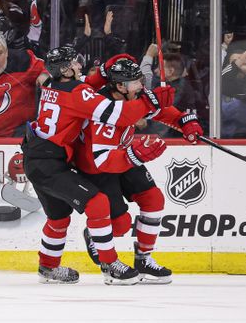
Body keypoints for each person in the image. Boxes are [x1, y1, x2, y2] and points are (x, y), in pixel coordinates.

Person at [22, 46, 175, 284]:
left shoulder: (52, 85)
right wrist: (150, 101)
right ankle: (109, 264)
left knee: (59, 218)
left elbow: (87, 84)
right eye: (74, 62)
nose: (79, 65)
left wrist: (104, 72)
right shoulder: (76, 93)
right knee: (97, 203)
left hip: (39, 159)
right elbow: (118, 113)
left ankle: (47, 268)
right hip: (49, 164)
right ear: (64, 69)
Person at [74, 54, 204, 284]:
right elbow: (103, 161)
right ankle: (100, 247)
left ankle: (143, 259)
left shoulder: (133, 95)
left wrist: (184, 122)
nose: (141, 86)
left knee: (153, 199)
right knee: (121, 224)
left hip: (122, 156)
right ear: (120, 85)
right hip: (98, 167)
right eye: (136, 82)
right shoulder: (102, 109)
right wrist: (135, 155)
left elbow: (158, 111)